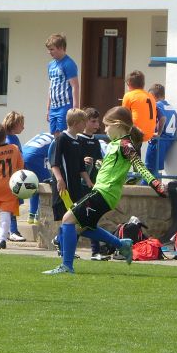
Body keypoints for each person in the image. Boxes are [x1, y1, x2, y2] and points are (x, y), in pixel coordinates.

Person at [43, 106, 167, 275]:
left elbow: (139, 165)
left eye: (107, 125)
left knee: (68, 219)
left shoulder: (125, 144)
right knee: (83, 226)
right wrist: (101, 166)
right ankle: (122, 244)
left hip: (104, 192)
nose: (105, 129)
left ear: (117, 124)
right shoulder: (116, 144)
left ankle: (67, 266)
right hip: (103, 192)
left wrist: (155, 183)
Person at [49, 108, 93, 251]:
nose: (85, 125)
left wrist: (89, 182)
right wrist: (59, 180)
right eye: (83, 122)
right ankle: (63, 249)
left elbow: (81, 167)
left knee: (76, 218)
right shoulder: (61, 138)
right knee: (66, 217)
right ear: (75, 123)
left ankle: (60, 242)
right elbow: (54, 163)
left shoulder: (79, 140)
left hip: (75, 186)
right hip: (64, 186)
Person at [79, 107, 105, 259]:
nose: (97, 125)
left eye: (98, 121)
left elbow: (99, 159)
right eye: (93, 121)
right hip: (79, 185)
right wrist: (81, 161)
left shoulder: (96, 141)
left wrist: (100, 163)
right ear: (84, 122)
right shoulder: (78, 139)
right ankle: (62, 244)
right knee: (77, 218)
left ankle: (96, 251)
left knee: (91, 217)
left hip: (92, 184)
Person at [45, 34, 79, 136]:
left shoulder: (68, 63)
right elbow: (51, 87)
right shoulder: (50, 65)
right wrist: (48, 109)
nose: (49, 52)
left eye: (52, 49)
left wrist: (75, 108)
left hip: (65, 105)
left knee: (63, 134)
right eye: (49, 50)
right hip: (53, 106)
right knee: (54, 135)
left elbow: (75, 86)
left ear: (60, 48)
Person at [21, 131, 55, 225]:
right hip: (35, 157)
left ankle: (31, 215)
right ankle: (38, 216)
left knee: (34, 185)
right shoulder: (60, 138)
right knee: (46, 184)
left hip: (23, 155)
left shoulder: (42, 133)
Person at [3, 110, 27, 242]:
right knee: (11, 204)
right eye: (21, 124)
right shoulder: (8, 141)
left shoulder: (14, 138)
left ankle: (4, 227)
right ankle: (13, 230)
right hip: (10, 178)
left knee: (14, 204)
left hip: (16, 176)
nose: (23, 127)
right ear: (14, 124)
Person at [122, 70, 157, 157]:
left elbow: (123, 115)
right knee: (136, 151)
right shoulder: (150, 96)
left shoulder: (129, 95)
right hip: (149, 133)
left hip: (136, 133)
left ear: (129, 84)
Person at [147, 83, 177, 179]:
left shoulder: (156, 105)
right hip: (168, 140)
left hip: (158, 140)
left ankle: (145, 186)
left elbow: (162, 119)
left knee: (148, 169)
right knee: (155, 170)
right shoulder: (171, 107)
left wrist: (158, 133)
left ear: (153, 96)